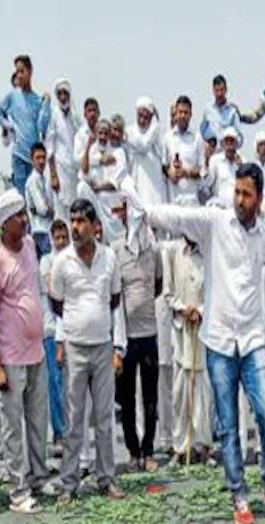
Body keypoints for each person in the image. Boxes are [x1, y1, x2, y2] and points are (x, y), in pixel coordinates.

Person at [131, 164, 265, 524]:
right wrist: (147, 210)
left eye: (247, 194)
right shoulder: (215, 223)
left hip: (253, 339)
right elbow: (178, 216)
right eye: (236, 192)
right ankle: (239, 494)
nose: (240, 200)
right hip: (221, 341)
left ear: (258, 197)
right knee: (227, 424)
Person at [50, 198, 126, 500]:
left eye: (81, 221)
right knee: (74, 418)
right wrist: (73, 328)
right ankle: (69, 483)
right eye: (73, 221)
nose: (75, 228)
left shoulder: (109, 258)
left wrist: (115, 344)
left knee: (104, 418)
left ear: (95, 226)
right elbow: (57, 304)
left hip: (102, 347)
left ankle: (106, 478)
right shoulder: (61, 262)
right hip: (75, 348)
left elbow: (115, 301)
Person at [0, 189, 50, 512]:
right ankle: (18, 490)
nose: (25, 221)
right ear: (4, 223)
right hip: (10, 356)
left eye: (24, 214)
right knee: (12, 426)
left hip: (36, 350)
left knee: (38, 420)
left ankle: (38, 477)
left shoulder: (31, 248)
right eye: (19, 217)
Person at [110, 197, 162, 471]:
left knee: (150, 396)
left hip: (149, 332)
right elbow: (114, 293)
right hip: (126, 337)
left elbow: (158, 285)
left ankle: (149, 450)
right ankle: (133, 452)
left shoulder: (153, 251)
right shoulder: (116, 250)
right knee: (127, 397)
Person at [162, 235, 212, 464]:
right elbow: (168, 293)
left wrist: (200, 310)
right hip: (181, 331)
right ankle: (180, 447)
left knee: (202, 390)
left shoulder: (208, 253)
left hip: (203, 331)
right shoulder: (174, 253)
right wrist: (184, 309)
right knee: (181, 389)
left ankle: (203, 446)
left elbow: (214, 290)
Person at [0, 54, 43, 193]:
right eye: (17, 72)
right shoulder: (12, 96)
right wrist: (9, 126)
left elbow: (42, 127)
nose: (19, 75)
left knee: (34, 193)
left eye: (22, 71)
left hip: (34, 156)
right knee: (20, 194)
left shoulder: (37, 100)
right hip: (19, 154)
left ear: (30, 71)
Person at [41, 219, 70, 452]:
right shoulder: (47, 262)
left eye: (64, 237)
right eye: (57, 238)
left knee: (72, 385)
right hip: (51, 328)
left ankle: (72, 432)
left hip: (72, 329)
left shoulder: (73, 260)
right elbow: (53, 291)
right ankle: (60, 432)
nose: (60, 242)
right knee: (55, 383)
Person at [77, 118, 128, 243]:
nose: (103, 137)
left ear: (110, 135)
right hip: (95, 201)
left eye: (106, 133)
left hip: (110, 200)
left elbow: (115, 183)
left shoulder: (118, 153)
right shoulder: (92, 151)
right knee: (81, 187)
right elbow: (83, 173)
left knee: (117, 241)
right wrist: (88, 146)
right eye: (100, 133)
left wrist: (98, 188)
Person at [38, 78, 82, 222]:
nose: (63, 97)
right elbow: (49, 145)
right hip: (59, 167)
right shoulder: (54, 115)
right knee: (60, 208)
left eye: (65, 93)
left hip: (73, 169)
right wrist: (53, 175)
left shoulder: (75, 117)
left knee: (74, 207)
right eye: (60, 94)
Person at [125, 97, 168, 206]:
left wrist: (156, 127)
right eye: (140, 116)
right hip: (137, 182)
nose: (142, 120)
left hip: (155, 187)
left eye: (146, 117)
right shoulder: (129, 132)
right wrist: (155, 126)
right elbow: (143, 146)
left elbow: (163, 154)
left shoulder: (157, 133)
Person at [163, 96, 206, 206]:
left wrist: (185, 173)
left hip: (192, 200)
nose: (182, 116)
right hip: (172, 199)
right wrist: (170, 173)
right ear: (175, 113)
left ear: (191, 115)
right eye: (180, 112)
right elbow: (164, 165)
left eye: (186, 112)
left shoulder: (197, 138)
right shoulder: (168, 137)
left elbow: (202, 170)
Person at [202, 127, 245, 208]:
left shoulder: (243, 162)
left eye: (231, 141)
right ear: (222, 144)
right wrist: (206, 161)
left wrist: (241, 168)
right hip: (219, 208)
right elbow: (207, 183)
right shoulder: (215, 160)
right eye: (226, 141)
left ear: (236, 144)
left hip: (238, 209)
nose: (229, 144)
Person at [25, 142, 54, 256]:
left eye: (43, 157)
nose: (41, 161)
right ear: (32, 160)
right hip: (40, 229)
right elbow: (42, 209)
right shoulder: (33, 180)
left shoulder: (44, 180)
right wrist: (51, 211)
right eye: (37, 158)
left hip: (47, 228)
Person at [199, 75, 244, 145]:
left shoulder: (232, 111)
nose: (219, 94)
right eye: (217, 90)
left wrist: (231, 145)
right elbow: (202, 133)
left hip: (228, 153)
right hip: (212, 153)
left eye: (221, 90)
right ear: (213, 91)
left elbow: (239, 137)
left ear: (226, 90)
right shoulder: (207, 110)